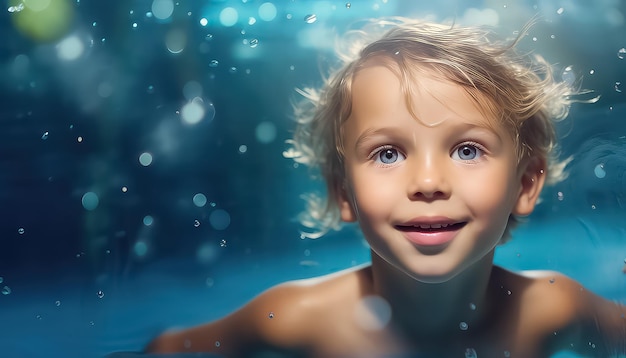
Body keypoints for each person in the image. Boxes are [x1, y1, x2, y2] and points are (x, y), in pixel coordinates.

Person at [146, 18, 625, 357]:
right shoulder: (300, 318)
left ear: (525, 183)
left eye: (467, 150)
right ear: (343, 193)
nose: (429, 183)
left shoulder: (553, 309)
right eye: (388, 154)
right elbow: (166, 349)